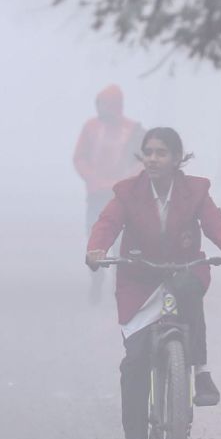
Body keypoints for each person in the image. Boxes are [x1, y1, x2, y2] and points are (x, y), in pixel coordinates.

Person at [85, 127, 221, 439]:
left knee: (189, 289)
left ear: (177, 159)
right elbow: (107, 223)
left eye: (161, 153)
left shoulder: (195, 191)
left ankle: (201, 373)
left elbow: (217, 226)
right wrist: (97, 250)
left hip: (182, 270)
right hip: (139, 280)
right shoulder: (127, 192)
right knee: (134, 363)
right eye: (148, 152)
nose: (153, 159)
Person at [74, 84, 144, 303]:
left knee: (122, 242)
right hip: (97, 194)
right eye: (100, 104)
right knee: (96, 239)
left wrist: (127, 180)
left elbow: (142, 160)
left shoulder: (133, 130)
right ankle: (96, 279)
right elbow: (80, 157)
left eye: (107, 104)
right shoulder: (91, 127)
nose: (103, 108)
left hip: (124, 196)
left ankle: (119, 286)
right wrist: (92, 178)